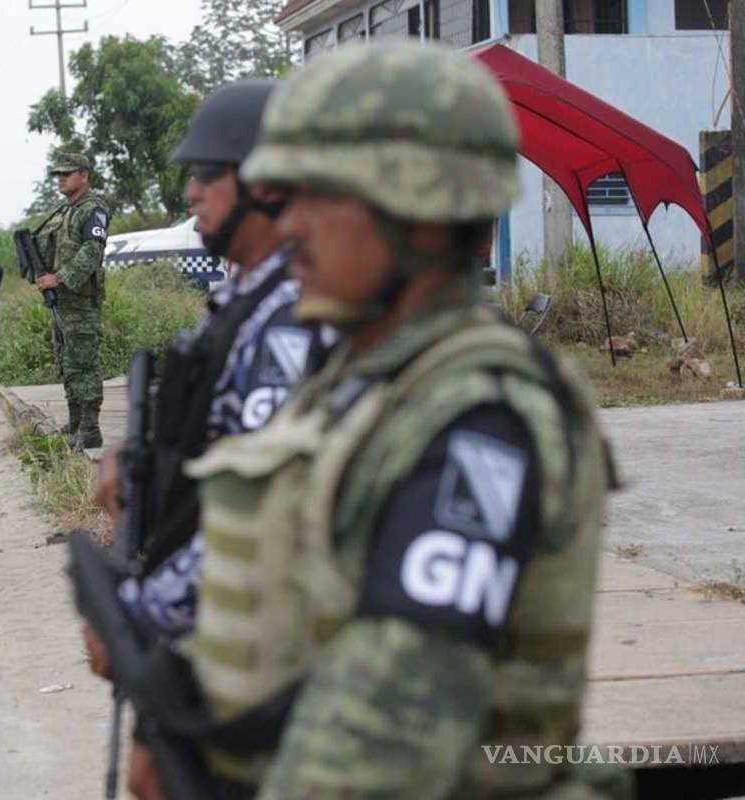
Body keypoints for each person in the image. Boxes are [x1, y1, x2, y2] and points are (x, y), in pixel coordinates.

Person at [127, 44, 626, 800]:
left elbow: (382, 746)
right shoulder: (363, 379)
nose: (286, 225)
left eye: (316, 196)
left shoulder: (478, 415)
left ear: (418, 216)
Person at [88, 79, 323, 654]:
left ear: (264, 184)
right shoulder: (244, 296)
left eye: (207, 173)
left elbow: (261, 515)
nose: (191, 193)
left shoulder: (295, 314)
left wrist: (140, 618)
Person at [32, 153, 111, 448]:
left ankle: (90, 428)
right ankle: (76, 421)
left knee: (83, 362)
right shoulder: (63, 211)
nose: (61, 178)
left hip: (80, 300)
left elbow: (92, 251)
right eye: (58, 174)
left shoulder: (93, 209)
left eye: (67, 173)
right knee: (66, 360)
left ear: (84, 175)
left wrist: (60, 277)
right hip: (60, 301)